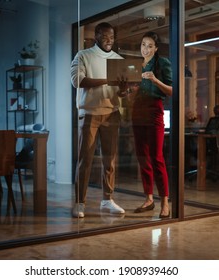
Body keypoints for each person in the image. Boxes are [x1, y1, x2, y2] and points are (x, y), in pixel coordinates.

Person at [70, 22, 127, 218]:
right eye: (104, 36)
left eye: (111, 37)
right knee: (85, 159)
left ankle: (107, 199)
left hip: (111, 113)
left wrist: (124, 89)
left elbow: (120, 92)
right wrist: (106, 80)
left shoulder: (118, 59)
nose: (108, 40)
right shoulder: (83, 55)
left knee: (109, 160)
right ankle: (79, 202)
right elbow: (77, 81)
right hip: (90, 113)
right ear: (96, 36)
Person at [128, 31, 172, 218]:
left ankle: (165, 202)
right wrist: (128, 91)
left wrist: (154, 79)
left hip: (154, 110)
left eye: (149, 46)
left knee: (157, 157)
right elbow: (129, 96)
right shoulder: (135, 66)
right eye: (143, 45)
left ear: (156, 48)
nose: (145, 49)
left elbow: (171, 90)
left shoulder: (163, 63)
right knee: (142, 157)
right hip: (138, 110)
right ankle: (149, 198)